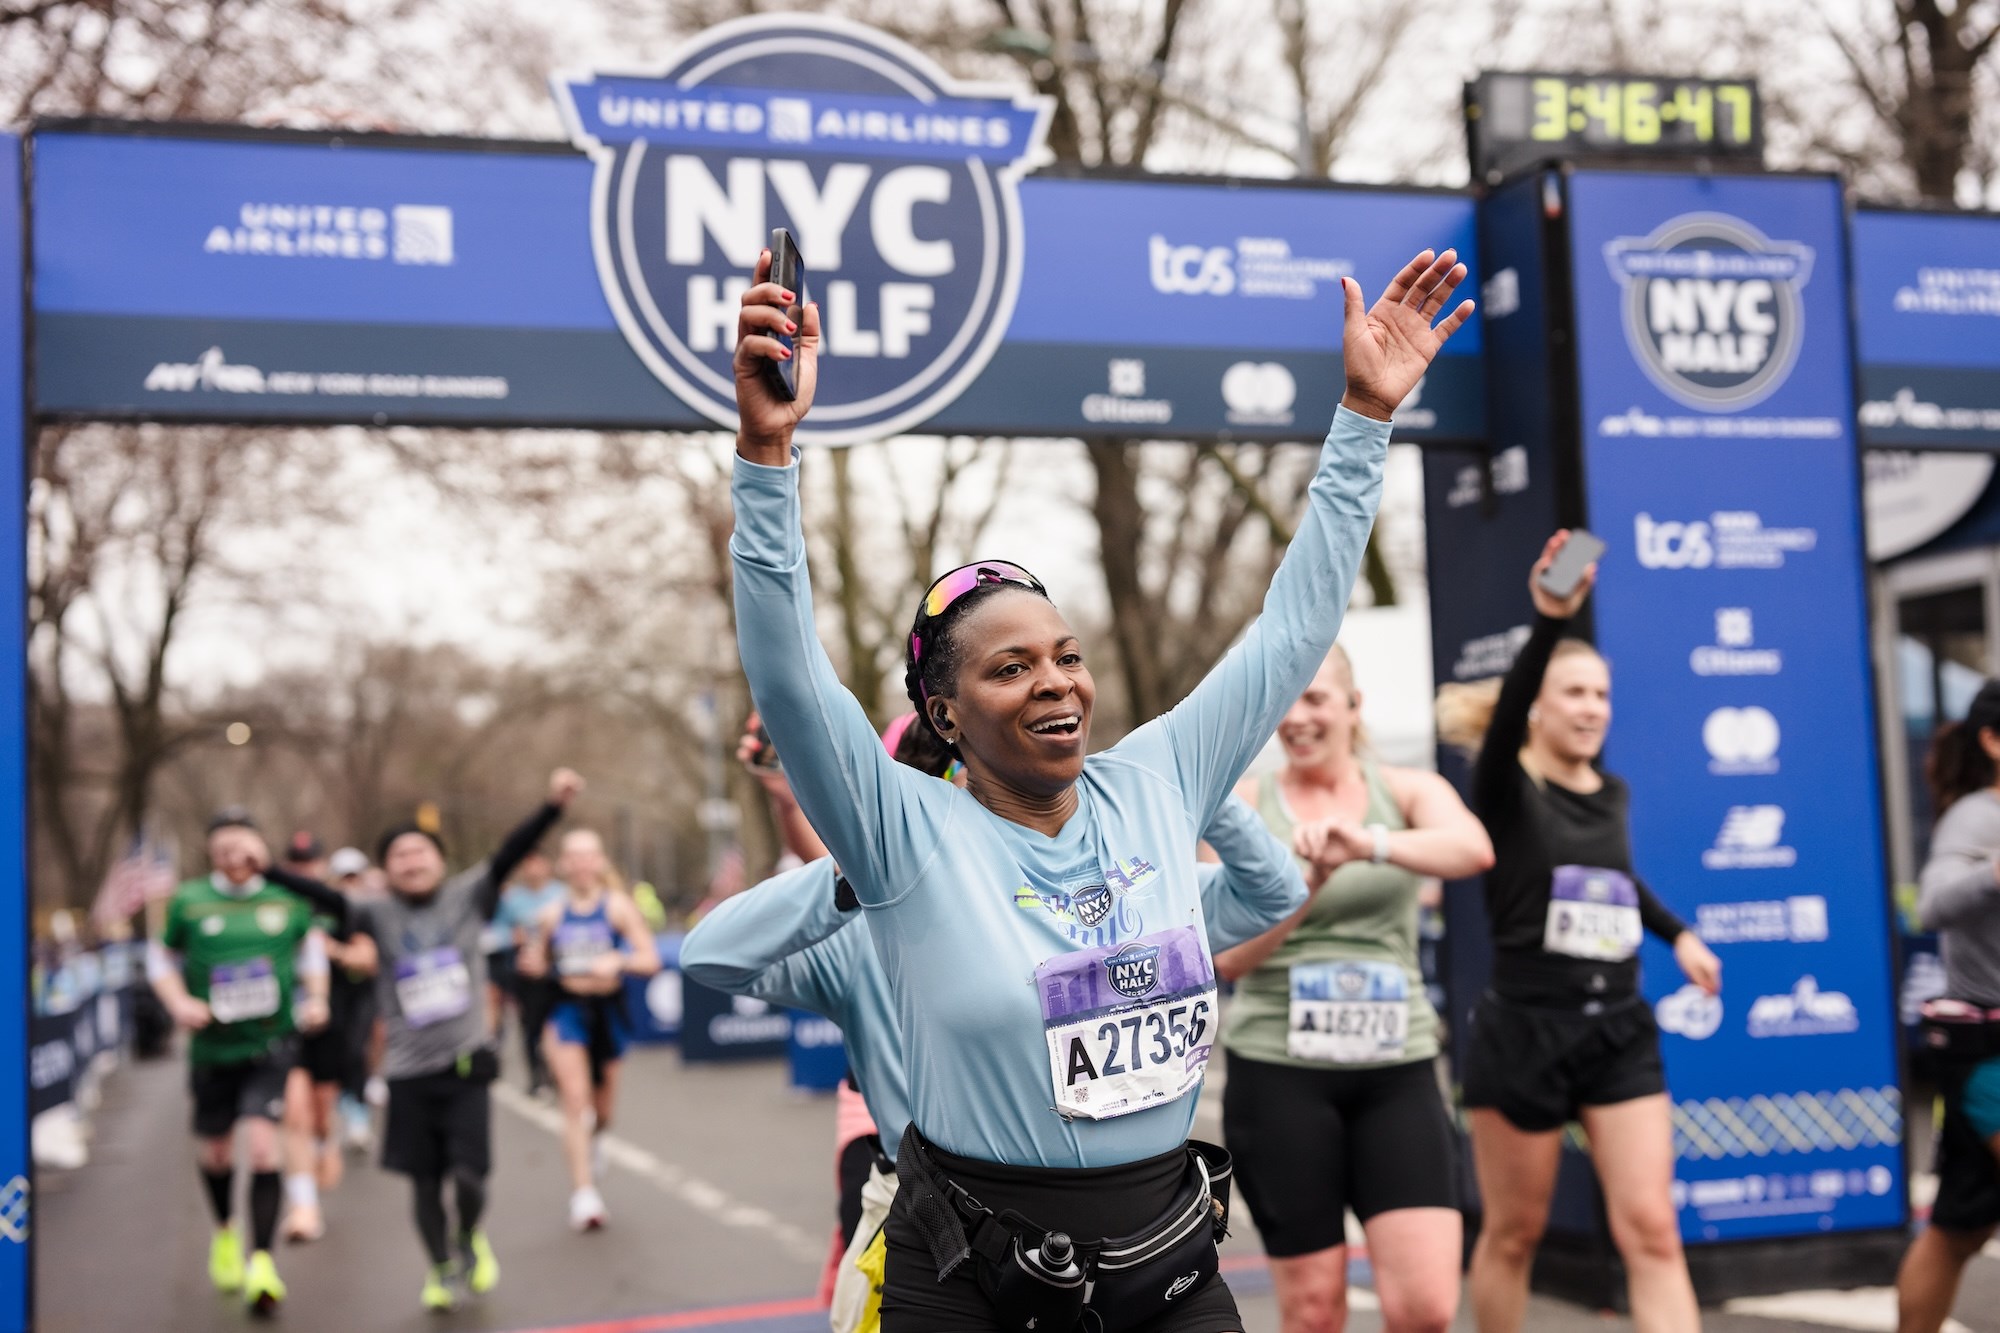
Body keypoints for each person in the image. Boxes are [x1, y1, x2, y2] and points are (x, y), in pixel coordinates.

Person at [728, 241, 1468, 1331]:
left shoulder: (1159, 778)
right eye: (1009, 665)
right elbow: (791, 677)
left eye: (1065, 655)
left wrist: (1362, 416)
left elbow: (1294, 626)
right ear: (944, 715)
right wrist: (764, 452)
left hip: (1163, 1260)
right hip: (968, 1272)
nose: (1054, 680)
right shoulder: (901, 829)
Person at [684, 714, 1308, 1333]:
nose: (941, 809)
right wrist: (854, 874)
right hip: (938, 1232)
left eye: (955, 779)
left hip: (1131, 1235)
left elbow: (1272, 892)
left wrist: (1186, 785)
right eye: (914, 792)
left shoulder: (1108, 897)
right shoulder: (861, 933)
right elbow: (710, 954)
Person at [1445, 532, 1721, 1333]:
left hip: (1618, 1028)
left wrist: (1681, 936)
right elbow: (1502, 743)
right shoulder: (1504, 788)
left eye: (1601, 694)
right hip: (1524, 1031)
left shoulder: (1613, 794)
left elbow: (1613, 884)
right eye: (1574, 693)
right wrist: (1548, 622)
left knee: (1654, 1230)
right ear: (1536, 705)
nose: (1592, 708)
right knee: (1514, 1232)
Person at [1216, 646, 1494, 1333]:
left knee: (1425, 1307)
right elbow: (1230, 959)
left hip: (1395, 1070)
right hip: (1281, 1073)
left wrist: (1367, 844)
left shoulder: (1402, 789)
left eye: (1317, 698)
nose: (1300, 717)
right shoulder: (1242, 805)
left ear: (1352, 706)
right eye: (1288, 701)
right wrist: (1310, 879)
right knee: (1314, 1311)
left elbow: (1472, 848)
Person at [263, 769, 581, 1311]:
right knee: (425, 1183)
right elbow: (318, 894)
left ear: (440, 858)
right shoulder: (372, 910)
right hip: (409, 1073)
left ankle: (466, 1237)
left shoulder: (469, 895)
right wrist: (265, 870)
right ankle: (438, 1267)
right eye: (399, 856)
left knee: (470, 1178)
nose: (411, 861)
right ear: (386, 871)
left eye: (421, 852)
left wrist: (553, 807)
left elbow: (512, 849)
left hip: (465, 1064)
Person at [147, 809, 329, 1315]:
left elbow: (312, 949)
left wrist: (317, 998)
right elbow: (159, 957)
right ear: (212, 854)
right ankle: (225, 1230)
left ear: (260, 850)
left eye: (243, 848)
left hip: (270, 1043)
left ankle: (262, 1262)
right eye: (223, 849)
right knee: (218, 1154)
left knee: (265, 1147)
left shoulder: (286, 897)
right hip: (213, 1049)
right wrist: (178, 1002)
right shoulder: (189, 900)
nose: (235, 858)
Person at [1897, 681, 2000, 1333]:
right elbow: (1931, 904)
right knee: (1954, 1232)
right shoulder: (1977, 816)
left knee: (1959, 1229)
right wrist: (1993, 873)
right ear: (1993, 741)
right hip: (1987, 1050)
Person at [526, 828, 661, 1231]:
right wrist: (532, 963)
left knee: (602, 1112)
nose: (583, 863)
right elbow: (537, 962)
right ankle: (583, 1194)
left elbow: (650, 959)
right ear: (564, 865)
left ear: (600, 862)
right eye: (574, 856)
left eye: (590, 855)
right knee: (574, 1099)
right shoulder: (550, 914)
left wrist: (618, 961)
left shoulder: (617, 907)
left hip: (608, 1012)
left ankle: (597, 1137)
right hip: (565, 1011)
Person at [278, 831, 374, 1242]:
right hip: (281, 1025)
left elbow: (366, 960)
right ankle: (303, 1207)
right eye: (296, 864)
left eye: (310, 863)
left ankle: (327, 1140)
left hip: (332, 1020)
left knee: (318, 1111)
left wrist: (329, 951)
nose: (304, 871)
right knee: (292, 1111)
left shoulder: (339, 909)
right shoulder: (274, 905)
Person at [492, 847, 566, 1094]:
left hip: (557, 972)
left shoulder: (562, 894)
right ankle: (536, 1077)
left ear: (547, 866)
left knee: (557, 1025)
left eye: (538, 863)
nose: (533, 870)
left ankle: (558, 1072)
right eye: (528, 864)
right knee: (529, 1026)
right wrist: (513, 936)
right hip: (523, 974)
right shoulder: (512, 898)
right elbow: (496, 931)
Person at [325, 846, 380, 1152]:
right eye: (344, 878)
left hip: (364, 992)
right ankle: (345, 1102)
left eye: (354, 878)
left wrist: (336, 952)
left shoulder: (372, 912)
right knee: (338, 1052)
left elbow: (370, 960)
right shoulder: (321, 912)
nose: (350, 884)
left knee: (357, 1051)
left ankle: (359, 1113)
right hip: (332, 993)